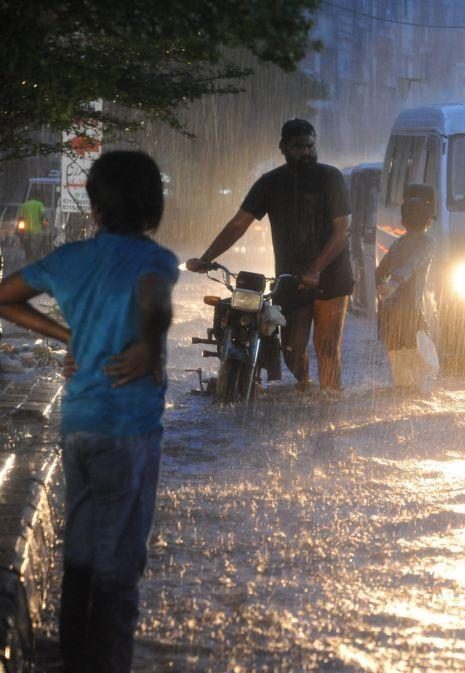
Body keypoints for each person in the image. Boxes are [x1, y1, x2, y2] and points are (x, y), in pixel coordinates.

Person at [0, 151, 177, 671]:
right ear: (153, 207)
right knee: (119, 576)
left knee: (79, 565)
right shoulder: (155, 259)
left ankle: (76, 660)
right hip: (129, 432)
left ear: (95, 208)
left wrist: (66, 332)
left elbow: (5, 297)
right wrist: (149, 343)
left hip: (78, 430)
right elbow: (154, 300)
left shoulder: (69, 259)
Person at [187, 119, 352, 393]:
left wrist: (316, 269)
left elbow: (342, 230)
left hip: (332, 274)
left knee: (328, 347)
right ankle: (306, 385)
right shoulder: (271, 183)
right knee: (292, 350)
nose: (306, 152)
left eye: (310, 146)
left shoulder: (330, 178)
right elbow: (239, 224)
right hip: (289, 278)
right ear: (283, 148)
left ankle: (330, 405)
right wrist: (206, 258)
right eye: (299, 147)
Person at [376, 189, 439, 393]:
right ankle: (419, 405)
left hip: (389, 311)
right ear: (428, 221)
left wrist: (383, 289)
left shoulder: (398, 243)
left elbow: (379, 272)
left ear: (403, 221)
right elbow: (412, 265)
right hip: (411, 309)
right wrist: (394, 284)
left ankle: (401, 396)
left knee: (398, 364)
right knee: (427, 365)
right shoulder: (427, 242)